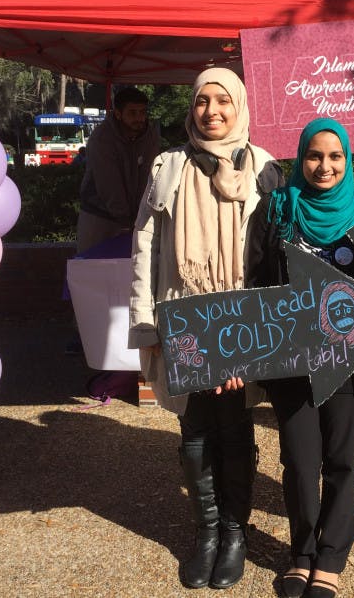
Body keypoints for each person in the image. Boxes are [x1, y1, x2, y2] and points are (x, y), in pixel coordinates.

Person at [129, 68, 282, 590]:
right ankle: (208, 533)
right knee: (194, 430)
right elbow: (145, 247)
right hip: (185, 317)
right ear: (190, 108)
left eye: (223, 100)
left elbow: (277, 249)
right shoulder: (168, 166)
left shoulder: (264, 167)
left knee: (236, 429)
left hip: (241, 323)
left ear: (240, 105)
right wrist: (146, 322)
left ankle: (236, 534)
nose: (212, 111)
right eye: (201, 101)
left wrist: (270, 333)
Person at [248, 118, 354, 598]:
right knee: (297, 459)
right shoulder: (275, 212)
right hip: (290, 359)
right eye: (315, 156)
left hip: (348, 362)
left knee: (340, 459)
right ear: (300, 158)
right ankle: (302, 554)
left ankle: (330, 559)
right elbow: (254, 281)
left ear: (348, 161)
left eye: (336, 157)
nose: (325, 166)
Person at [77, 86, 160, 253]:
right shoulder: (102, 139)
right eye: (132, 113)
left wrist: (143, 216)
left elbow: (150, 177)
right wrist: (126, 222)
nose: (139, 118)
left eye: (142, 112)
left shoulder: (150, 135)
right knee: (92, 268)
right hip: (99, 214)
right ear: (118, 113)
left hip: (138, 216)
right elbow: (109, 185)